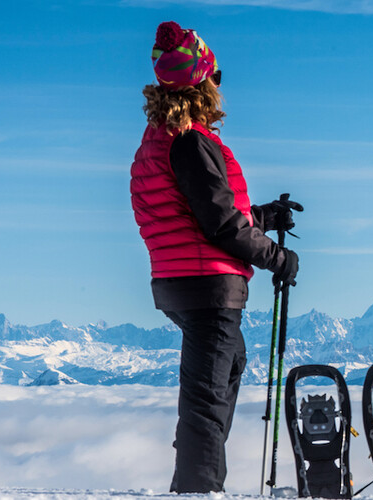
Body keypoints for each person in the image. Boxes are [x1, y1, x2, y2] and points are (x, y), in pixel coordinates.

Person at [130, 21, 299, 494]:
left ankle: (197, 477)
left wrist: (262, 216)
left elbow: (197, 212)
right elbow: (220, 224)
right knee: (205, 399)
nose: (220, 90)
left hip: (180, 280)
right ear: (202, 83)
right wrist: (276, 259)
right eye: (216, 79)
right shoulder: (190, 142)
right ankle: (199, 489)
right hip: (206, 286)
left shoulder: (160, 139)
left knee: (226, 367)